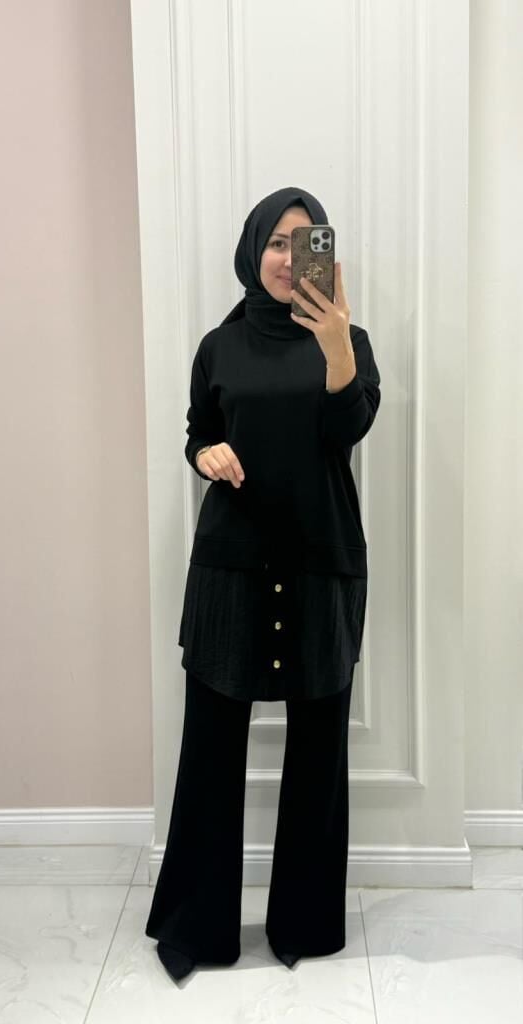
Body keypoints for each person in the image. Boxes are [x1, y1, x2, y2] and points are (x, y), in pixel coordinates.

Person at [145, 186, 381, 982]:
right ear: (253, 251)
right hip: (232, 565)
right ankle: (197, 927)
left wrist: (338, 344)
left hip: (320, 562)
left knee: (318, 751)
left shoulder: (349, 340)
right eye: (275, 242)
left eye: (303, 242)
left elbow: (349, 427)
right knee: (211, 748)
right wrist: (204, 454)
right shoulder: (219, 345)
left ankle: (303, 926)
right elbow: (199, 432)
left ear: (323, 254)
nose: (287, 257)